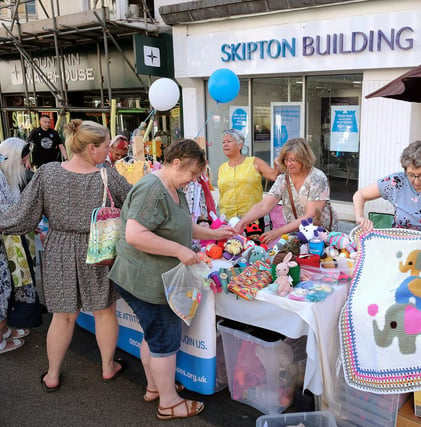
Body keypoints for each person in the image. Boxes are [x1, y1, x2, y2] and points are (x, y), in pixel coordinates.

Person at [108, 139, 235, 420]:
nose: (193, 180)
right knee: (164, 342)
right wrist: (179, 251)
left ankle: (155, 387)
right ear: (177, 163)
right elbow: (135, 235)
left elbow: (179, 226)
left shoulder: (169, 187)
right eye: (192, 174)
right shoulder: (152, 189)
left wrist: (215, 234)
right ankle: (169, 402)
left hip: (149, 277)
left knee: (154, 337)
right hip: (146, 279)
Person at [0, 120, 131, 390]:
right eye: (106, 146)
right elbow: (135, 203)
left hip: (58, 247)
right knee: (104, 312)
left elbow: (23, 214)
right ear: (92, 148)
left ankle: (52, 374)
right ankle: (108, 366)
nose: (109, 151)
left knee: (63, 315)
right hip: (98, 248)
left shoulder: (47, 173)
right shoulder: (107, 175)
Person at [235, 138, 339, 244]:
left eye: (293, 160)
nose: (288, 164)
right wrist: (241, 223)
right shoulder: (283, 179)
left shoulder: (317, 178)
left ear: (304, 159)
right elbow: (263, 206)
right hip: (297, 234)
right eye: (286, 159)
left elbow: (310, 215)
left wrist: (278, 232)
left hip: (320, 235)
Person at [0, 138, 34, 354]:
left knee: (7, 288)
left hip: (8, 241)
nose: (26, 164)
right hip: (4, 240)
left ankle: (4, 330)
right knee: (2, 290)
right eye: (23, 159)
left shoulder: (6, 176)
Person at [217, 129, 278, 226]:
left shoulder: (254, 162)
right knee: (230, 242)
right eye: (223, 142)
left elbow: (274, 176)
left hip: (252, 220)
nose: (225, 144)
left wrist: (277, 164)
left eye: (229, 141)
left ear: (240, 145)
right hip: (227, 220)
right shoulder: (222, 168)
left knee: (252, 242)